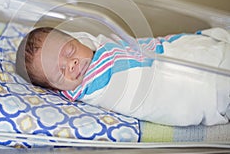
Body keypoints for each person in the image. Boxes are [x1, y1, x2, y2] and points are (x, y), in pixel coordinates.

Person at [16, 26, 230, 126]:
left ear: (77, 40)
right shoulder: (90, 88)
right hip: (188, 87)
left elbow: (87, 38)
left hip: (172, 52)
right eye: (60, 72)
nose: (71, 65)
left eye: (70, 52)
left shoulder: (97, 45)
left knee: (204, 51)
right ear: (57, 89)